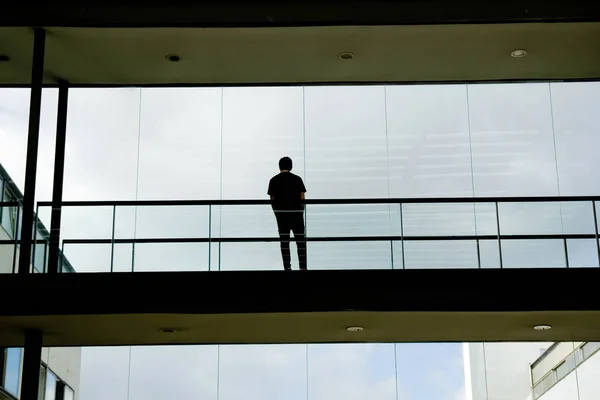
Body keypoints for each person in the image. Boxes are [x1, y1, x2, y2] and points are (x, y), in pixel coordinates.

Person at [267, 157, 307, 271]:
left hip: (282, 216)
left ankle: (287, 267)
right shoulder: (297, 179)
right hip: (296, 215)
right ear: (291, 166)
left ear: (279, 167)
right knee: (300, 242)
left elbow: (272, 199)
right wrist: (300, 212)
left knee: (284, 242)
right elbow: (302, 198)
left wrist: (277, 213)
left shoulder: (273, 180)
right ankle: (302, 267)